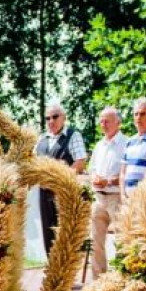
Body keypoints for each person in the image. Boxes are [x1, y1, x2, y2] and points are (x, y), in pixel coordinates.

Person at [35, 103, 87, 257]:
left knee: (64, 231)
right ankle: (51, 267)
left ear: (63, 118)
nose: (51, 120)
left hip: (64, 191)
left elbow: (80, 161)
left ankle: (66, 273)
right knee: (48, 230)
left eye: (55, 116)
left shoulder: (73, 135)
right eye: (48, 118)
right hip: (44, 192)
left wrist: (62, 179)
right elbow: (32, 162)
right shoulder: (42, 138)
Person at [87, 107, 129, 279]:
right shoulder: (99, 145)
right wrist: (95, 177)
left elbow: (127, 172)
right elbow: (92, 169)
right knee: (95, 241)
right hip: (98, 197)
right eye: (101, 121)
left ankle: (121, 277)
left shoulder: (126, 143)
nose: (102, 124)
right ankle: (99, 280)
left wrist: (109, 181)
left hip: (117, 198)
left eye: (107, 121)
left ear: (118, 123)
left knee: (121, 239)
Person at [120, 97, 146, 199]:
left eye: (143, 114)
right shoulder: (129, 141)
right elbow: (123, 172)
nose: (138, 117)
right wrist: (122, 195)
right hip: (127, 201)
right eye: (136, 114)